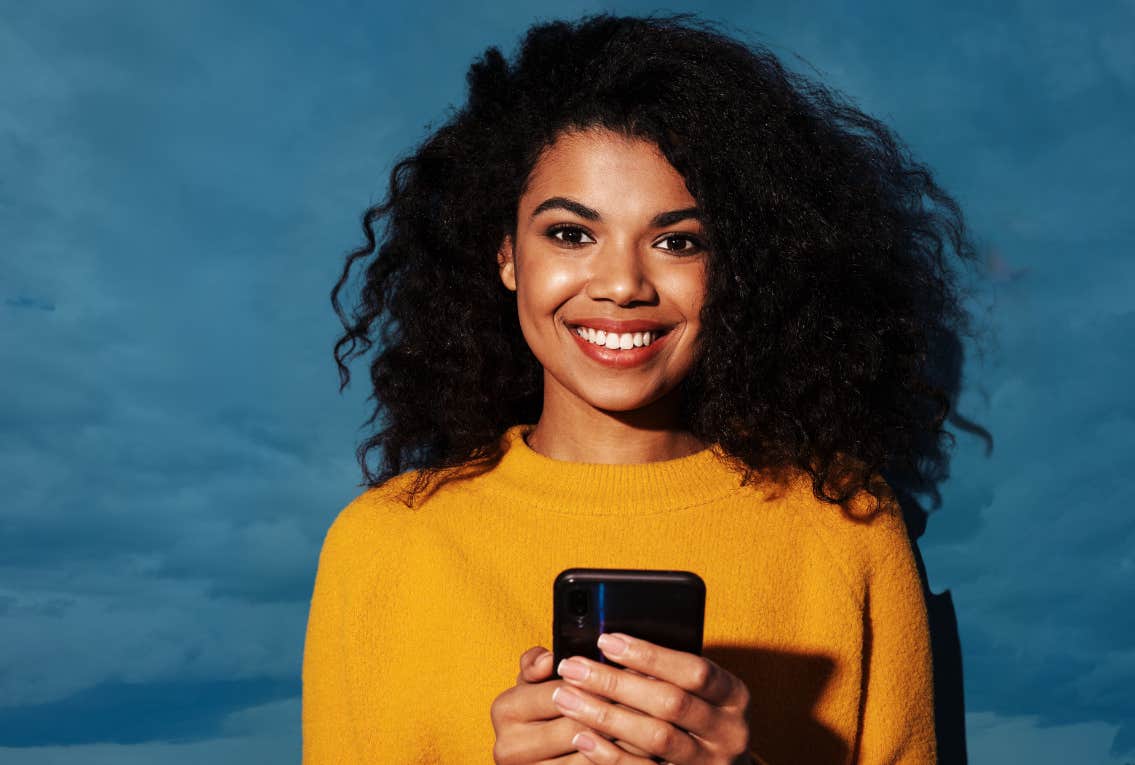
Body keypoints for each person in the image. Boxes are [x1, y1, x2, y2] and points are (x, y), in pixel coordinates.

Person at [304, 11, 983, 764]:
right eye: (570, 233)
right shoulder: (383, 546)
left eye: (677, 241)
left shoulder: (845, 530)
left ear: (733, 270)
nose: (623, 284)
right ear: (506, 254)